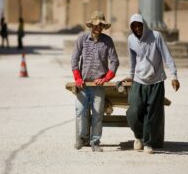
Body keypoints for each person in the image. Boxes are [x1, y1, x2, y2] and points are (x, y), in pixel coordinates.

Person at [125, 13, 180, 154]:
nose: (137, 28)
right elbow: (132, 59)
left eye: (139, 25)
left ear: (144, 24)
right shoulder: (131, 39)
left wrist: (174, 75)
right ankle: (139, 136)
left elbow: (167, 56)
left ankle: (148, 143)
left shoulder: (156, 36)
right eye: (134, 26)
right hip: (138, 80)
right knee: (133, 111)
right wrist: (131, 76)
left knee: (153, 114)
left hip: (156, 80)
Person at [71, 11, 119, 152]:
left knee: (98, 113)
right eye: (96, 24)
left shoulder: (108, 41)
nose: (98, 27)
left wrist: (106, 78)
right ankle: (83, 138)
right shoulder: (81, 39)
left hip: (99, 86)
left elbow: (115, 62)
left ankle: (95, 142)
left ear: (103, 27)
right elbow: (74, 59)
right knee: (81, 111)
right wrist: (77, 78)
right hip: (83, 84)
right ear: (91, 25)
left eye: (101, 25)